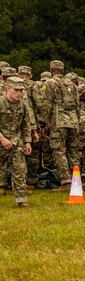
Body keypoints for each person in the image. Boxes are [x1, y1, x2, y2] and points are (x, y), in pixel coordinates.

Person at [46, 61, 81, 190]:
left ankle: (66, 181)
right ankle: (76, 180)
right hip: (73, 122)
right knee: (73, 151)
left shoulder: (50, 83)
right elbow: (77, 105)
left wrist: (45, 122)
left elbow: (47, 105)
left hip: (59, 121)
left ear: (51, 70)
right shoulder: (72, 84)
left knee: (59, 150)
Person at [0, 77, 33, 207]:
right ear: (8, 89)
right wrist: (2, 139)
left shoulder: (23, 104)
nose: (19, 93)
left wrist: (27, 142)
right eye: (16, 90)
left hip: (16, 141)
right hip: (1, 139)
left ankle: (21, 199)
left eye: (21, 90)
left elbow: (26, 124)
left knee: (20, 170)